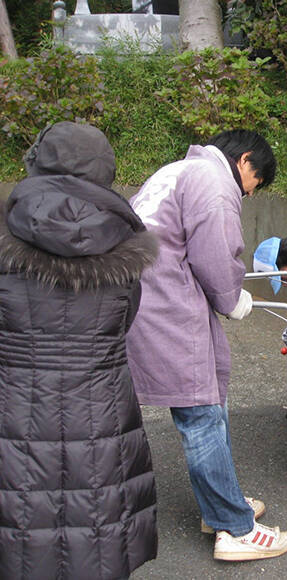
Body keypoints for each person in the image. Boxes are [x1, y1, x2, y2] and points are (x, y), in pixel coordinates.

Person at [125, 129, 287, 561]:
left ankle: (222, 505)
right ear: (245, 162)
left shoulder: (175, 171)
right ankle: (233, 529)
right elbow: (216, 256)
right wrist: (233, 298)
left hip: (145, 301)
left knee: (203, 407)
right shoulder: (214, 182)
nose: (251, 192)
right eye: (256, 182)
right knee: (201, 413)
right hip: (169, 309)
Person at [0, 122, 158, 579]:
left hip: (16, 409)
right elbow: (123, 324)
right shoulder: (127, 251)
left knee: (22, 524)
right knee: (98, 525)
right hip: (101, 410)